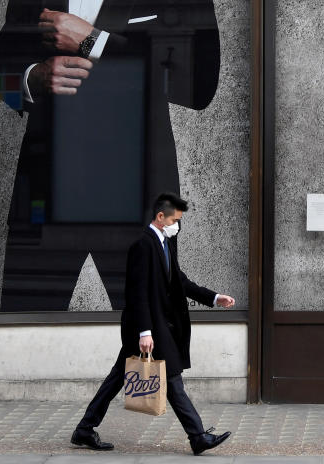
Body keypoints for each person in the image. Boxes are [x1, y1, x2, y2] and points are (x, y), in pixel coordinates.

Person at [0, 0, 220, 311]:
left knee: (149, 343)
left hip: (136, 195)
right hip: (47, 193)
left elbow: (199, 87)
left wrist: (92, 40)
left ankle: (159, 393)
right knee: (23, 332)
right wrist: (31, 79)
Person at [71, 193, 235, 455]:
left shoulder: (165, 244)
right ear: (160, 217)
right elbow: (137, 293)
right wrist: (144, 332)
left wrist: (214, 298)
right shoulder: (143, 246)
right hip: (147, 328)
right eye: (175, 220)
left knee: (117, 378)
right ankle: (198, 437)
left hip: (158, 326)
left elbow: (180, 282)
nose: (177, 226)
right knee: (172, 380)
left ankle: (84, 429)